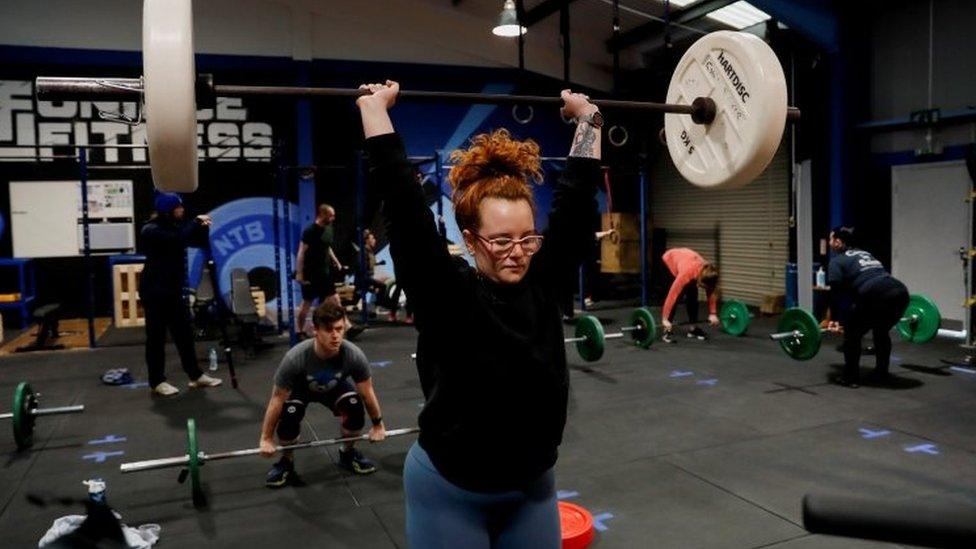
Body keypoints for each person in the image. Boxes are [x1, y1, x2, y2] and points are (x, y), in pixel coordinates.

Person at [357, 80, 600, 548]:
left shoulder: (545, 284)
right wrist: (374, 109)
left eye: (527, 238)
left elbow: (574, 203)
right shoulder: (445, 293)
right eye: (501, 241)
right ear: (470, 240)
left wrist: (588, 118)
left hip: (532, 488)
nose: (517, 253)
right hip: (449, 491)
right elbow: (405, 210)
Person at [259, 301, 387, 486]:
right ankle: (286, 461)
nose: (335, 336)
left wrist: (378, 425)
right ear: (315, 329)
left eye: (339, 329)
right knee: (288, 415)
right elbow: (277, 399)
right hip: (301, 389)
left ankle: (348, 453)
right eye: (328, 330)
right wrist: (266, 438)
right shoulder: (295, 358)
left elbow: (367, 392)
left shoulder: (353, 355)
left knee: (354, 406)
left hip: (334, 387)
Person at [139, 192, 222, 396]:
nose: (182, 210)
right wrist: (195, 222)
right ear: (168, 210)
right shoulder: (151, 230)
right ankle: (157, 381)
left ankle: (195, 375)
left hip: (173, 290)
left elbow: (194, 241)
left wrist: (203, 229)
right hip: (155, 291)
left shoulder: (175, 227)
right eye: (178, 207)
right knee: (156, 338)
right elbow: (177, 240)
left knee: (184, 334)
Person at [826, 226, 909, 388]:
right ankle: (881, 372)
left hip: (876, 294)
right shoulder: (865, 254)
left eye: (830, 239)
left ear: (837, 241)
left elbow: (836, 293)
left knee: (852, 333)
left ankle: (850, 378)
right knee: (881, 330)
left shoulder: (836, 261)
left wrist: (836, 320)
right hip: (900, 292)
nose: (829, 243)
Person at [295, 203, 343, 335]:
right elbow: (301, 252)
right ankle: (299, 331)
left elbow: (327, 246)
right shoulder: (310, 231)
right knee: (306, 304)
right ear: (322, 215)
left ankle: (347, 327)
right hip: (310, 273)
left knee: (335, 300)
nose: (333, 218)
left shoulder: (328, 228)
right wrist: (299, 273)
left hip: (324, 273)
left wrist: (336, 262)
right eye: (331, 216)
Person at [660, 247, 720, 343]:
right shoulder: (686, 273)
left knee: (693, 296)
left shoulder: (709, 273)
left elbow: (711, 292)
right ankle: (666, 328)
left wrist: (713, 313)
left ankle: (693, 328)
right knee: (677, 296)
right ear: (700, 279)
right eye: (702, 286)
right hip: (669, 260)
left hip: (686, 258)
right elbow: (672, 295)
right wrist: (665, 318)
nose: (703, 288)